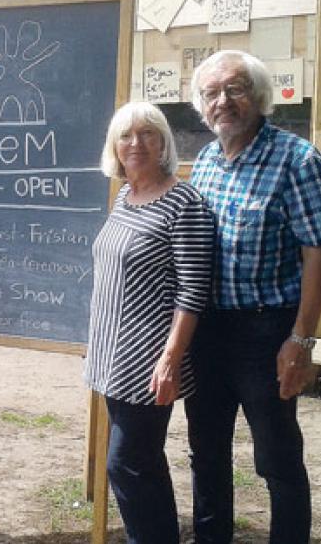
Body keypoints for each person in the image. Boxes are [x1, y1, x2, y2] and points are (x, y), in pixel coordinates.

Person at [185, 50, 321, 543]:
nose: (223, 102)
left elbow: (319, 252)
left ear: (259, 95)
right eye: (211, 93)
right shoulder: (206, 160)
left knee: (276, 456)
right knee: (206, 451)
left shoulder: (297, 159)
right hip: (207, 331)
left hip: (266, 331)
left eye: (235, 89)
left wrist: (302, 340)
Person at [84, 101, 215, 543]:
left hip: (148, 361)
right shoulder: (126, 195)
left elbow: (193, 291)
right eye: (126, 135)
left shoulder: (184, 202)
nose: (135, 143)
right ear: (114, 146)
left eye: (147, 134)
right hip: (111, 357)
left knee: (126, 464)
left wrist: (170, 360)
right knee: (144, 462)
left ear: (164, 144)